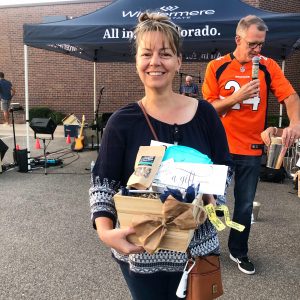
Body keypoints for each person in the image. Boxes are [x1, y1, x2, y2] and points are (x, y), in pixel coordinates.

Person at [89, 12, 232, 300]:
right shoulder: (122, 121)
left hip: (197, 251)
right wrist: (105, 233)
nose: (155, 62)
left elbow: (224, 170)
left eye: (165, 53)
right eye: (147, 54)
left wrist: (213, 205)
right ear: (137, 62)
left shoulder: (205, 114)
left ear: (179, 61)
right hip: (143, 253)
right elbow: (103, 184)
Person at [202, 14, 300, 275]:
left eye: (261, 45)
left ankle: (238, 250)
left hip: (251, 149)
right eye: (252, 44)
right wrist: (238, 96)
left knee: (244, 206)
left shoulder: (268, 66)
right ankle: (206, 246)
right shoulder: (217, 66)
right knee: (210, 201)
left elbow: (290, 96)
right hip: (219, 149)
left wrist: (294, 124)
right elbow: (208, 108)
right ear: (238, 39)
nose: (257, 50)